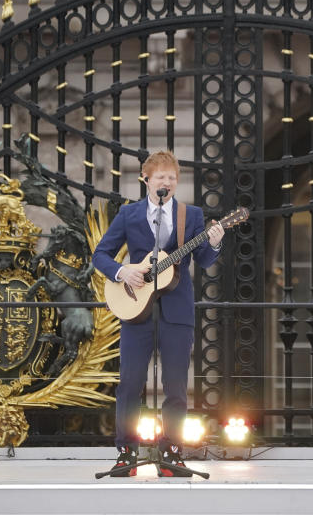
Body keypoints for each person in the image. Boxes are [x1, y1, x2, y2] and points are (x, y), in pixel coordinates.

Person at [92, 150, 225, 477]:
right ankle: (126, 453)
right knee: (129, 383)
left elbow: (204, 260)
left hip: (177, 311)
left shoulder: (190, 215)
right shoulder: (129, 215)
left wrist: (216, 243)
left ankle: (172, 453)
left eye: (172, 178)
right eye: (161, 177)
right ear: (146, 180)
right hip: (136, 310)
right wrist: (123, 273)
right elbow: (101, 255)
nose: (167, 182)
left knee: (176, 385)